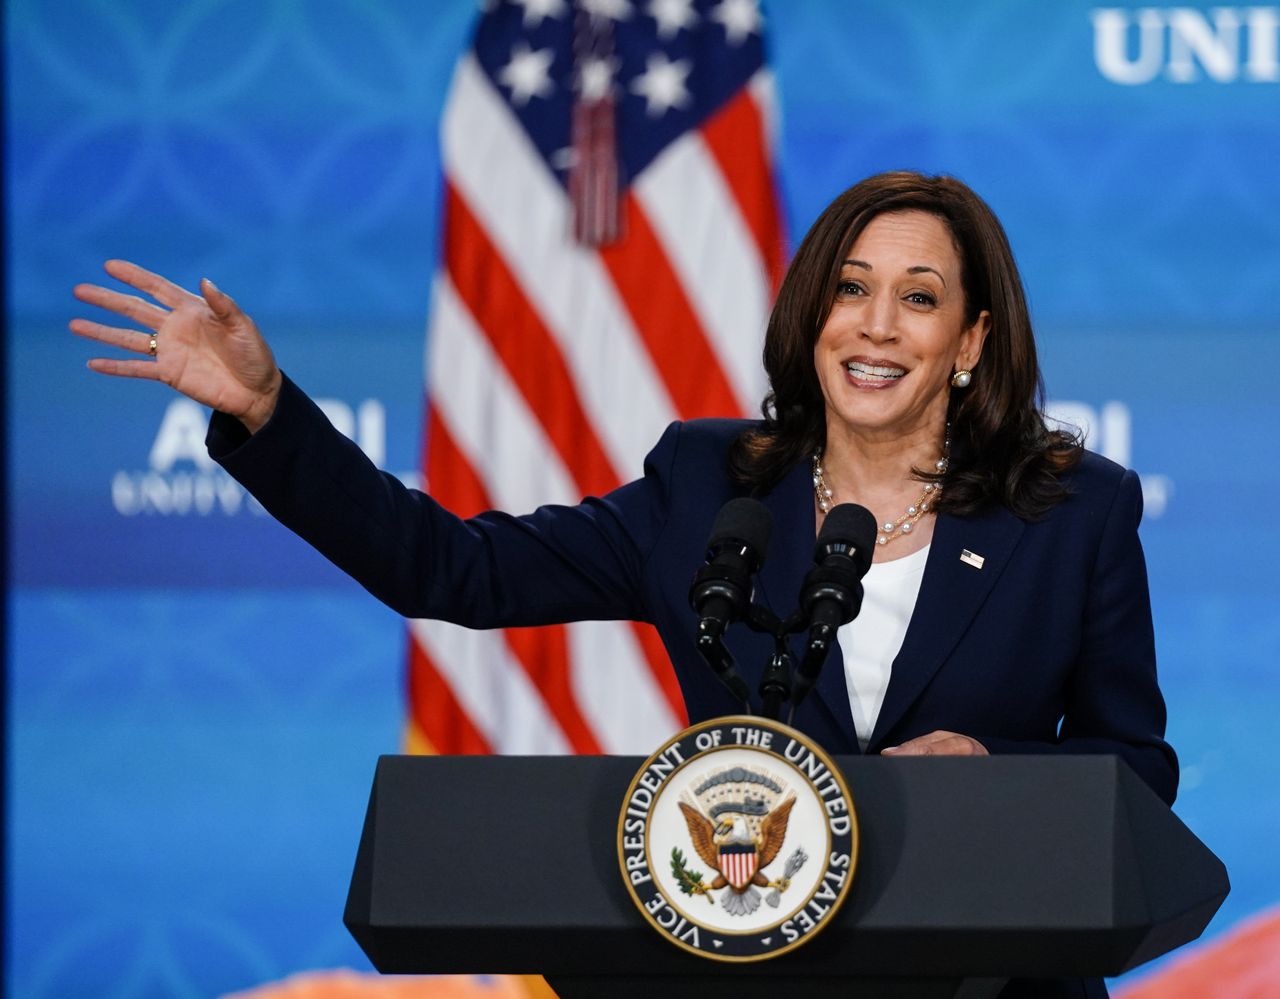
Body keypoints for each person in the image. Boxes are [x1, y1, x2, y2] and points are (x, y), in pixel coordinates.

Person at [72, 172, 1174, 997]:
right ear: (811, 313)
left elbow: (1136, 767)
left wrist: (993, 767)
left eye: (918, 298)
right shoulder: (709, 489)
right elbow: (454, 567)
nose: (875, 325)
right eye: (849, 288)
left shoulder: (1070, 513)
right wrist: (269, 416)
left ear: (971, 340)